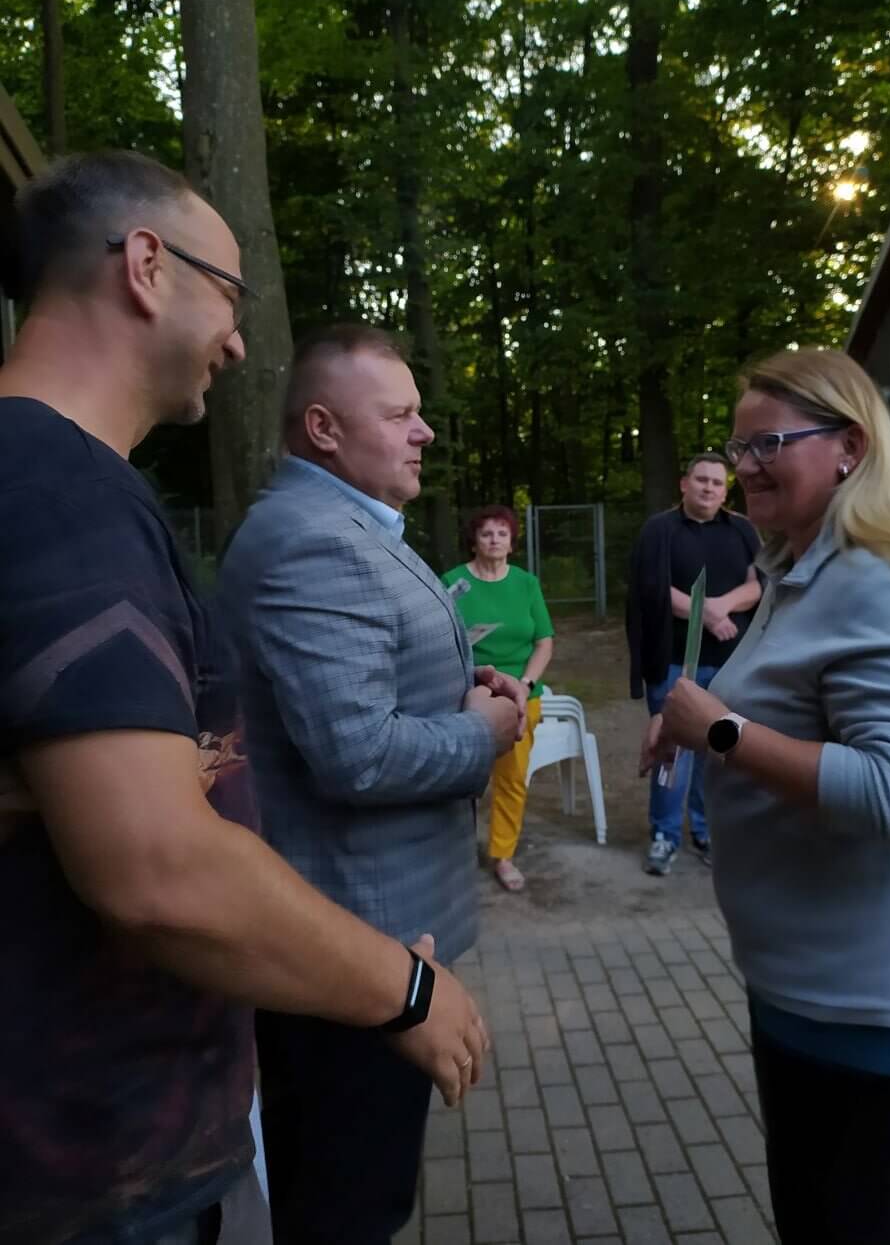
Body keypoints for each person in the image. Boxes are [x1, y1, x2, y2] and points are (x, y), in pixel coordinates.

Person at [0, 153, 491, 1245]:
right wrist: (406, 990)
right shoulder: (55, 491)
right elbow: (158, 867)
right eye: (229, 292)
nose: (235, 339)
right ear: (144, 266)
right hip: (95, 1170)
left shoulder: (61, 483)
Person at [643, 347, 890, 1245]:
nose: (744, 465)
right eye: (739, 445)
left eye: (769, 443)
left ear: (850, 446)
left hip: (879, 994)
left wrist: (719, 730)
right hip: (809, 981)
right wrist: (698, 720)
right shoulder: (801, 569)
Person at [217, 324, 522, 1245]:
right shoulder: (315, 540)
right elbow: (358, 754)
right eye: (400, 415)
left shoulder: (344, 524)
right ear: (323, 427)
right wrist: (484, 731)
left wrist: (465, 682)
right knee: (346, 1207)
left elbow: (370, 685)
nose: (423, 431)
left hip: (371, 941)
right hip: (350, 951)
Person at [626, 452, 760, 875]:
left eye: (717, 483)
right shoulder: (660, 530)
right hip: (673, 662)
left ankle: (707, 831)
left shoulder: (742, 530)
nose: (708, 488)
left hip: (730, 664)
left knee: (719, 751)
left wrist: (721, 607)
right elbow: (651, 587)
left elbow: (760, 585)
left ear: (726, 490)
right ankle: (664, 835)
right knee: (672, 750)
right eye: (701, 480)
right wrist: (707, 615)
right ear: (684, 484)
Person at [442, 504, 554, 892]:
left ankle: (502, 854)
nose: (494, 540)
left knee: (512, 778)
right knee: (458, 778)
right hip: (466, 691)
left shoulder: (526, 583)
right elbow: (437, 637)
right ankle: (452, 851)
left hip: (520, 695)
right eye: (486, 533)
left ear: (512, 541)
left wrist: (526, 683)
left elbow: (544, 641)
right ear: (474, 540)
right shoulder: (453, 582)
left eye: (502, 534)